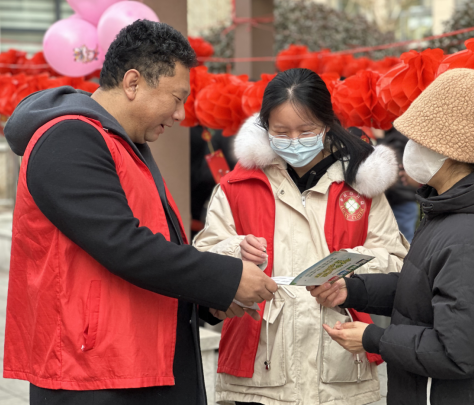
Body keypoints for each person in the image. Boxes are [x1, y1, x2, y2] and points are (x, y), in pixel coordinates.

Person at [2, 20, 277, 405]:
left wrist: (208, 298)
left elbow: (153, 245)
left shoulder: (122, 143)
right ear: (133, 83)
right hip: (93, 375)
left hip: (133, 360)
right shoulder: (69, 138)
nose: (181, 114)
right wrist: (227, 276)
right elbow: (122, 244)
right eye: (177, 98)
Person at [309, 68, 474, 405]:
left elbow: (458, 351)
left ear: (447, 150)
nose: (408, 150)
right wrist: (353, 289)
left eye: (417, 141)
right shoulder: (452, 215)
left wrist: (375, 338)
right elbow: (425, 294)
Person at [193, 68, 409, 405]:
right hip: (258, 371)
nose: (294, 141)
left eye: (306, 131)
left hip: (340, 368)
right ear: (265, 128)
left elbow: (396, 261)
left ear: (326, 125)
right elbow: (202, 257)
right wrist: (236, 252)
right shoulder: (238, 186)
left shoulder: (360, 185)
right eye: (281, 131)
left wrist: (349, 277)